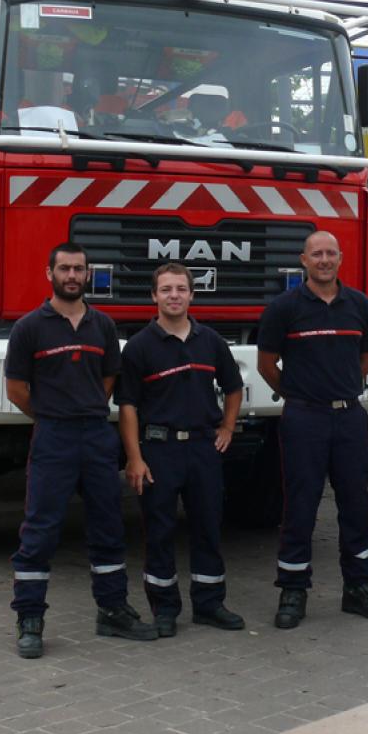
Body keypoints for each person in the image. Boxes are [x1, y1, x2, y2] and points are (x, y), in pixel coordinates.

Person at [6, 242, 157, 659]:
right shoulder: (29, 328)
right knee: (40, 530)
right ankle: (30, 619)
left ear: (88, 275)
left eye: (79, 269)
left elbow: (109, 379)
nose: (72, 275)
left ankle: (112, 611)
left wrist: (83, 409)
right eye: (65, 268)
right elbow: (17, 390)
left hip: (95, 435)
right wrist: (53, 415)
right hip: (54, 436)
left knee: (109, 526)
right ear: (49, 273)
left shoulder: (102, 326)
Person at [257, 230, 368, 629]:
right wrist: (298, 395)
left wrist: (343, 390)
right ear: (304, 260)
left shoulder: (359, 306)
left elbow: (365, 358)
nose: (324, 260)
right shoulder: (284, 307)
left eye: (330, 253)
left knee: (356, 504)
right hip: (304, 420)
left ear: (340, 258)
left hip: (349, 418)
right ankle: (293, 591)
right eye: (316, 254)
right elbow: (268, 365)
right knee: (301, 504)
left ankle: (359, 588)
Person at [116, 263, 245, 637]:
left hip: (204, 449)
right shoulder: (139, 347)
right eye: (166, 289)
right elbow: (127, 407)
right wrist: (135, 458)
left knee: (207, 526)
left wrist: (227, 427)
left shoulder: (211, 341)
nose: (174, 296)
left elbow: (233, 387)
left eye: (181, 289)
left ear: (192, 295)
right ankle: (164, 609)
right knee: (159, 531)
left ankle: (209, 604)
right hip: (159, 450)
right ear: (154, 296)